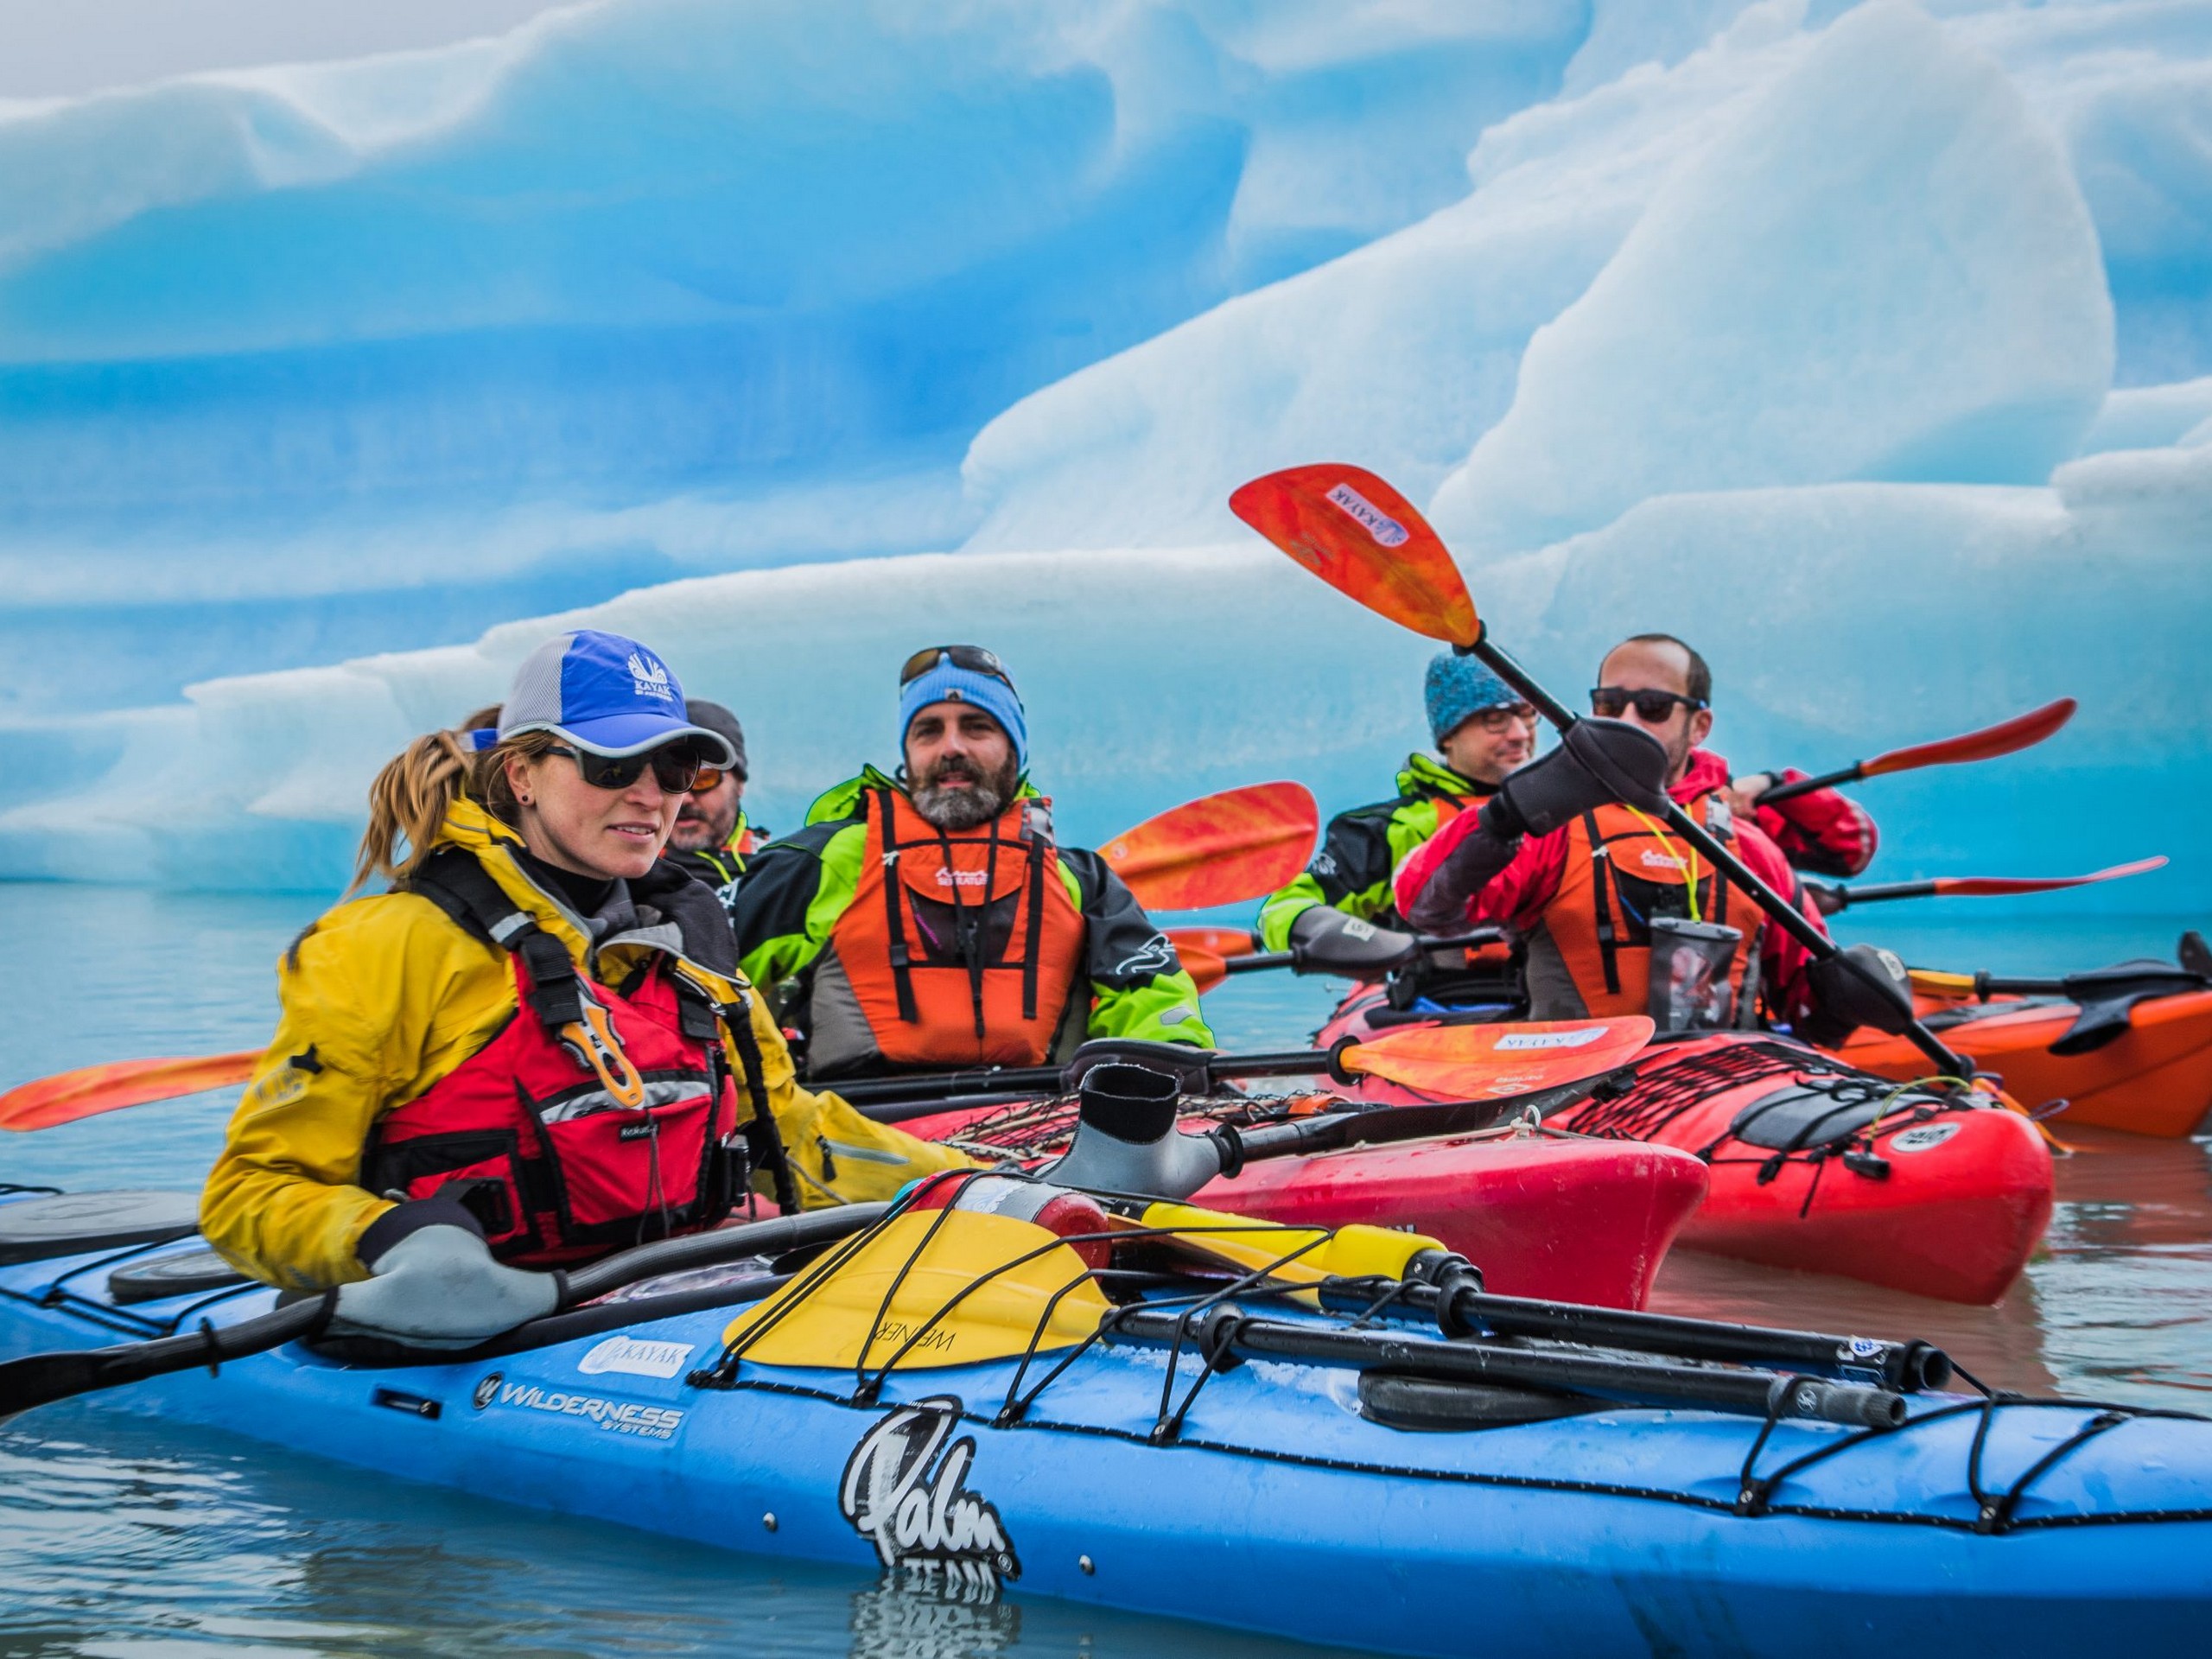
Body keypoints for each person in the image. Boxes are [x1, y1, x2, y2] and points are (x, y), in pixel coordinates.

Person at [200, 629, 969, 1344]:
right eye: (611, 765)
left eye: (676, 769)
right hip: (477, 1334)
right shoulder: (389, 947)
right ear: (522, 775)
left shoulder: (689, 943)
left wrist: (967, 1188)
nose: (651, 795)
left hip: (675, 1305)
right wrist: (397, 1242)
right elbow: (252, 1191)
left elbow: (791, 1130)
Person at [726, 645, 1213, 1081]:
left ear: (1014, 749)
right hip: (860, 1140)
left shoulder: (1081, 881)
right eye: (928, 731)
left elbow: (1152, 995)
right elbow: (710, 981)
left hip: (1041, 1132)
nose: (951, 748)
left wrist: (1176, 1058)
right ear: (908, 752)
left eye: (977, 727)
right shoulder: (816, 863)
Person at [1394, 633, 1911, 1044]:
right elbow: (1426, 908)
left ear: (1700, 724)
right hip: (1578, 1091)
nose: (1628, 722)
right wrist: (1504, 815)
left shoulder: (1751, 852)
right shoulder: (1552, 834)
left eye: (1654, 708)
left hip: (1722, 1088)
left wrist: (1848, 993)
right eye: (1610, 704)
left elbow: (1807, 1014)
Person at [1255, 652, 1535, 975]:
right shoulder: (1392, 830)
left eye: (1526, 714)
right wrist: (1335, 934)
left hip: (1556, 1001)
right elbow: (1282, 909)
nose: (1520, 734)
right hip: (1446, 1006)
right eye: (1495, 719)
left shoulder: (1566, 811)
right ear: (1448, 736)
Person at [664, 698, 766, 898]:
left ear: (740, 784)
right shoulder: (623, 876)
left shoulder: (777, 869)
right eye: (669, 778)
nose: (684, 798)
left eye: (703, 778)